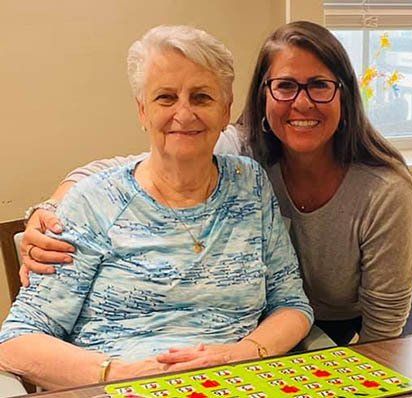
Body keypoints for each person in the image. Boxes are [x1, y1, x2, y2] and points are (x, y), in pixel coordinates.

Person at [20, 21, 412, 346]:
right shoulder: (241, 148)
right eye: (284, 86)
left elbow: (382, 334)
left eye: (319, 85)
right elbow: (136, 165)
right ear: (262, 95)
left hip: (397, 294)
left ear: (344, 94)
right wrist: (50, 211)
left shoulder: (382, 188)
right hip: (305, 312)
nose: (301, 102)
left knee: (390, 375)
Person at [0, 25, 313, 391]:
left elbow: (292, 305)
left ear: (226, 109)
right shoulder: (94, 202)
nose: (184, 113)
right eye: (166, 97)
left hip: (234, 383)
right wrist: (124, 375)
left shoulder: (250, 185)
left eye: (201, 97)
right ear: (142, 111)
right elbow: (17, 341)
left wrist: (239, 353)